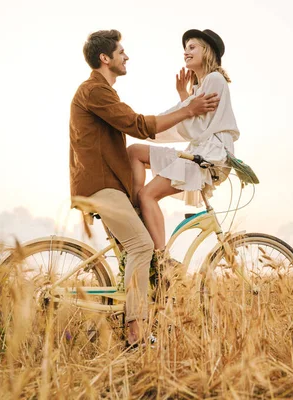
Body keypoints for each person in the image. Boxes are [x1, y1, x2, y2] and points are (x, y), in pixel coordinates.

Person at [69, 29, 219, 345]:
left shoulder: (102, 92)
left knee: (140, 245)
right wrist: (189, 109)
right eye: (121, 52)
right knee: (142, 246)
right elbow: (138, 126)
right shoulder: (94, 92)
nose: (127, 56)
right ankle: (137, 334)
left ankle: (147, 307)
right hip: (100, 187)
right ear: (105, 58)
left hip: (109, 186)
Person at [128, 29, 239, 262]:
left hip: (209, 153)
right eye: (186, 48)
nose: (186, 52)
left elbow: (194, 125)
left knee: (148, 195)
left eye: (192, 47)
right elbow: (196, 122)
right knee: (135, 152)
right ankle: (134, 207)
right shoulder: (201, 87)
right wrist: (184, 98)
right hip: (199, 150)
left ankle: (160, 261)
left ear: (206, 51)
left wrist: (142, 125)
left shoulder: (215, 80)